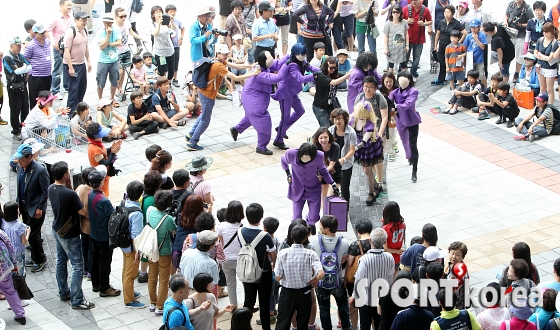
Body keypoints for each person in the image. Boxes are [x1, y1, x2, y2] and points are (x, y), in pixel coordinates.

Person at [185, 44, 258, 151]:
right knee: (205, 120)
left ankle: (190, 135)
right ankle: (192, 142)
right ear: (218, 53)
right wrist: (253, 74)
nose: (226, 56)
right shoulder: (218, 66)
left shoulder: (218, 61)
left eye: (227, 54)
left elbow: (236, 66)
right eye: (224, 54)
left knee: (203, 116)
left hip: (205, 92)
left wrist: (250, 66)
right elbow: (236, 77)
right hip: (207, 94)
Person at [48, 161, 95, 310]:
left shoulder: (51, 188)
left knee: (61, 261)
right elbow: (83, 212)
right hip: (70, 233)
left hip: (57, 229)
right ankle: (77, 299)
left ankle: (63, 292)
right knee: (77, 266)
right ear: (65, 175)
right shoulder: (69, 194)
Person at [230, 51, 286, 155]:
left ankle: (236, 129)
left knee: (251, 118)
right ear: (265, 61)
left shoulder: (260, 67)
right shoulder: (261, 74)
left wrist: (288, 57)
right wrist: (286, 67)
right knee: (263, 122)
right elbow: (278, 78)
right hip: (253, 103)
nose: (272, 58)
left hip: (249, 99)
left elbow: (277, 63)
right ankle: (261, 146)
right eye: (269, 57)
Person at [275, 224, 324, 330]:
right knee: (303, 323)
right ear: (306, 237)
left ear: (291, 236)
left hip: (287, 293)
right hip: (305, 293)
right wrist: (314, 279)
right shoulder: (310, 254)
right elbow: (321, 273)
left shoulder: (283, 253)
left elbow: (278, 277)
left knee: (283, 322)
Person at [281, 143, 339, 232]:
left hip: (313, 189)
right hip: (297, 188)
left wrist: (333, 184)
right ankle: (299, 232)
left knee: (314, 216)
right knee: (296, 217)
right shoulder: (291, 154)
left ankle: (310, 224)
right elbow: (283, 160)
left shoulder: (319, 156)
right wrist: (288, 173)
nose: (305, 162)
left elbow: (323, 170)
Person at [272, 44, 320, 150]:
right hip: (285, 94)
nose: (302, 56)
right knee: (285, 117)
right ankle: (278, 140)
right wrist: (314, 76)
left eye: (303, 54)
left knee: (300, 111)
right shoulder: (291, 64)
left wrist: (321, 70)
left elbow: (310, 67)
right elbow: (300, 78)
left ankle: (281, 129)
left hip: (293, 93)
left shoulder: (301, 61)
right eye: (300, 54)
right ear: (295, 54)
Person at [238, 203, 276, 330]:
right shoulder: (265, 235)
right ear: (261, 218)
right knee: (264, 303)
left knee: (248, 301)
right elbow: (273, 254)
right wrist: (274, 266)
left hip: (247, 271)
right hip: (263, 272)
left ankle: (244, 326)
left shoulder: (240, 232)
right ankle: (266, 328)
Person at [309, 216, 350, 330]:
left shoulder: (315, 241)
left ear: (326, 229)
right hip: (338, 279)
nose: (319, 226)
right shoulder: (345, 243)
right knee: (343, 307)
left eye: (321, 224)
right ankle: (346, 327)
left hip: (321, 280)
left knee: (324, 309)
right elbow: (343, 260)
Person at [349, 228, 394, 330]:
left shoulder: (364, 259)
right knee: (379, 324)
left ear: (370, 241)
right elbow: (390, 278)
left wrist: (354, 296)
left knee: (365, 325)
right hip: (381, 299)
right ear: (385, 242)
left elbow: (358, 279)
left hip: (365, 300)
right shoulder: (389, 257)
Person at [15, 144, 49, 272]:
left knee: (33, 234)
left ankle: (40, 259)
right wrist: (18, 205)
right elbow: (19, 188)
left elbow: (45, 192)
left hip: (35, 208)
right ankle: (35, 257)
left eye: (22, 159)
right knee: (30, 232)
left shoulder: (40, 170)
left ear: (29, 157)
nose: (19, 162)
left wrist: (40, 207)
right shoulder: (20, 168)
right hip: (24, 207)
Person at [87, 169, 121, 298]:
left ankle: (96, 284)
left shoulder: (90, 194)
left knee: (95, 260)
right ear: (101, 182)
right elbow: (113, 216)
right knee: (104, 262)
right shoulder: (104, 200)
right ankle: (104, 287)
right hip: (103, 236)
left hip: (94, 233)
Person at [145, 190, 177, 316]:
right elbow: (174, 231)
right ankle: (160, 306)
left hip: (151, 251)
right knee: (163, 280)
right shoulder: (168, 218)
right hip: (164, 252)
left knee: (152, 277)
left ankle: (153, 303)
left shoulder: (150, 210)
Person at [354, 75, 388, 190]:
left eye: (370, 87)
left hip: (377, 133)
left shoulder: (379, 98)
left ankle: (380, 180)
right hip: (363, 135)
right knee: (368, 160)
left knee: (378, 158)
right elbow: (356, 115)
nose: (367, 89)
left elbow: (384, 117)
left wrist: (380, 133)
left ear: (375, 88)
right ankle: (375, 181)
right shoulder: (359, 97)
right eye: (365, 86)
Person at [351, 100, 384, 205]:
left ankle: (371, 192)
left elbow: (364, 141)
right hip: (360, 148)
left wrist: (354, 148)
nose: (360, 116)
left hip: (369, 147)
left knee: (367, 170)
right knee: (366, 169)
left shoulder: (369, 124)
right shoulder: (354, 119)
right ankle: (376, 187)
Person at [389, 70, 420, 182]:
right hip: (400, 120)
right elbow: (388, 100)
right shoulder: (395, 91)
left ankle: (414, 171)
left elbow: (408, 104)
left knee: (413, 145)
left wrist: (395, 107)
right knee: (404, 141)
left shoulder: (413, 91)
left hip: (412, 120)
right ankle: (409, 156)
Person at [120, 181, 145, 309]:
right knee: (131, 274)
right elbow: (136, 236)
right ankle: (129, 300)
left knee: (126, 269)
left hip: (123, 243)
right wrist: (138, 253)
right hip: (131, 247)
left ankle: (129, 291)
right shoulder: (137, 213)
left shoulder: (124, 202)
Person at [63, 11, 92, 116]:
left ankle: (79, 111)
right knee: (73, 90)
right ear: (76, 20)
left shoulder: (85, 30)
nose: (84, 22)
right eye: (82, 20)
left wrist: (88, 61)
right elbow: (67, 51)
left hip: (81, 64)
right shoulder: (71, 32)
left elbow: (86, 47)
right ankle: (70, 114)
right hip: (72, 65)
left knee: (82, 88)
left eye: (85, 20)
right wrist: (70, 68)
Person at [3, 37, 32, 141]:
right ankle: (16, 131)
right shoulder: (7, 57)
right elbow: (16, 71)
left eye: (20, 45)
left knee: (25, 108)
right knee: (15, 110)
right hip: (13, 87)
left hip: (23, 85)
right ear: (11, 46)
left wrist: (23, 68)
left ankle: (24, 128)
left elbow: (29, 65)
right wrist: (24, 68)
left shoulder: (20, 56)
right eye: (17, 45)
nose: (20, 47)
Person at [216, 201, 244, 307]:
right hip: (240, 261)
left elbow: (220, 244)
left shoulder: (221, 226)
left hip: (226, 260)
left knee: (231, 285)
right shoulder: (243, 227)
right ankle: (247, 306)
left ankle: (233, 306)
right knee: (245, 283)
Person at [114, 7, 144, 98]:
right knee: (120, 72)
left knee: (125, 71)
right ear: (116, 17)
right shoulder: (114, 27)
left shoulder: (126, 23)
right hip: (117, 52)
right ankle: (115, 88)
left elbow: (132, 32)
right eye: (121, 16)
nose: (123, 18)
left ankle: (120, 88)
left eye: (125, 16)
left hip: (126, 50)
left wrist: (141, 38)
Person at [432, 5, 467, 86]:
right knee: (442, 62)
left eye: (448, 12)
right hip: (442, 45)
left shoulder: (456, 23)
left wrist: (458, 43)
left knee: (452, 63)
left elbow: (465, 33)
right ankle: (441, 79)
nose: (446, 14)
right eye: (445, 12)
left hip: (452, 47)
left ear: (452, 14)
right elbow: (438, 34)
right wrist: (435, 45)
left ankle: (453, 80)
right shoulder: (442, 21)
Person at [86, 122, 123, 197]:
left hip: (104, 176)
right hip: (101, 177)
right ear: (96, 136)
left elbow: (103, 151)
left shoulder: (96, 143)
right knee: (103, 194)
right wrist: (113, 153)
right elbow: (104, 164)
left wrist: (111, 148)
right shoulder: (95, 148)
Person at [328, 109, 356, 203]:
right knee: (332, 186)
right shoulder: (330, 130)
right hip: (332, 163)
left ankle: (345, 210)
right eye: (335, 119)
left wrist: (344, 159)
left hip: (346, 164)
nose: (337, 121)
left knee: (344, 188)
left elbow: (352, 150)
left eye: (340, 119)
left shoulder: (351, 132)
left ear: (345, 119)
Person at [312, 57, 350, 127]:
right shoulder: (321, 76)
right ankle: (313, 138)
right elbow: (334, 82)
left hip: (330, 107)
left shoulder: (333, 74)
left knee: (333, 127)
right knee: (325, 128)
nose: (333, 69)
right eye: (331, 67)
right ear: (326, 66)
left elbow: (340, 75)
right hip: (320, 108)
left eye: (335, 68)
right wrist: (347, 76)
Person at [179, 230, 220, 295]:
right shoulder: (211, 264)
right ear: (211, 247)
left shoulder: (186, 252)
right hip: (201, 296)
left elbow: (181, 269)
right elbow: (214, 285)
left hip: (185, 292)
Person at [0, 227, 26, 325]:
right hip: (4, 268)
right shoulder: (1, 232)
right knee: (10, 291)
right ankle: (21, 315)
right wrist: (14, 264)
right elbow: (11, 248)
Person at [24, 23, 52, 112]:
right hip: (36, 77)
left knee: (46, 99)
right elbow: (25, 59)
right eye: (41, 33)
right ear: (35, 34)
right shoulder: (31, 45)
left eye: (44, 32)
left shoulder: (47, 41)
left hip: (47, 75)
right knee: (35, 100)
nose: (44, 34)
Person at [504, 0, 534, 83]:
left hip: (521, 35)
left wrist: (521, 24)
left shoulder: (527, 8)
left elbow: (531, 22)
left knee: (520, 55)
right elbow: (506, 15)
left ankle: (517, 73)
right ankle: (504, 72)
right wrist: (505, 21)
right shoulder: (511, 4)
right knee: (506, 53)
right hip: (509, 33)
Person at [48, 0, 73, 97]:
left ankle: (67, 87)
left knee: (67, 67)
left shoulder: (70, 17)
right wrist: (53, 43)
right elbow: (48, 30)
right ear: (61, 5)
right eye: (68, 5)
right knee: (58, 69)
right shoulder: (56, 18)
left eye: (71, 5)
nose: (70, 7)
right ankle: (55, 91)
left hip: (68, 47)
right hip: (59, 48)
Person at [74, 167, 95, 280]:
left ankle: (85, 268)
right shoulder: (94, 192)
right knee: (91, 249)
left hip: (81, 225)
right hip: (91, 226)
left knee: (84, 246)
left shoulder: (80, 188)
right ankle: (91, 271)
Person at [95, 15, 122, 104]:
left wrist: (108, 44)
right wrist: (108, 34)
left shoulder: (117, 30)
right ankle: (100, 100)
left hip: (114, 59)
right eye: (106, 23)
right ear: (103, 23)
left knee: (114, 80)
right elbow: (102, 46)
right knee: (101, 81)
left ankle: (111, 98)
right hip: (103, 60)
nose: (108, 25)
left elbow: (119, 42)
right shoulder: (100, 32)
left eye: (110, 23)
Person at [312, 128, 342, 205]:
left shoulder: (335, 147)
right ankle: (324, 215)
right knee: (323, 197)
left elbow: (331, 165)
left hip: (334, 173)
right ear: (317, 139)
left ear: (329, 137)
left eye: (325, 137)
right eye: (321, 138)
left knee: (330, 197)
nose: (323, 140)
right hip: (322, 174)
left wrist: (322, 173)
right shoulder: (315, 148)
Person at [403, 0, 432, 78]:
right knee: (405, 57)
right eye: (411, 0)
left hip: (419, 39)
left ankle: (413, 73)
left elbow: (430, 21)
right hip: (407, 39)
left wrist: (424, 23)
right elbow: (399, 20)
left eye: (415, 0)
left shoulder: (425, 10)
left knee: (417, 57)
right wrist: (406, 21)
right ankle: (403, 73)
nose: (413, 2)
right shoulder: (406, 8)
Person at [534, 22, 559, 104]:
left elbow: (550, 58)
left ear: (551, 32)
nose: (544, 33)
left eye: (546, 31)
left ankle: (550, 106)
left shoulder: (554, 42)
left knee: (549, 89)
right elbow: (535, 53)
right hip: (540, 66)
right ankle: (541, 103)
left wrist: (541, 56)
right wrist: (542, 57)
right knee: (542, 87)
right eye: (543, 31)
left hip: (550, 68)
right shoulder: (540, 40)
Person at [150, 6, 176, 81]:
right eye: (156, 12)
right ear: (153, 15)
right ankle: (163, 84)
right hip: (160, 52)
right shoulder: (153, 25)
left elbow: (174, 29)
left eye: (160, 12)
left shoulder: (166, 23)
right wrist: (159, 24)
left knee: (171, 69)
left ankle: (168, 83)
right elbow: (155, 33)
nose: (159, 14)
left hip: (170, 50)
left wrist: (171, 21)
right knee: (162, 70)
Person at [381, 201, 405, 276]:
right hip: (397, 259)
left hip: (387, 259)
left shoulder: (385, 228)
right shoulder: (403, 225)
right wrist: (398, 251)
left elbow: (386, 249)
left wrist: (396, 251)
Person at [164, 4, 185, 87]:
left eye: (174, 11)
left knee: (175, 62)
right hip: (166, 47)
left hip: (175, 45)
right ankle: (166, 80)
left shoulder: (177, 21)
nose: (172, 13)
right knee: (166, 63)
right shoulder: (164, 21)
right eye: (170, 11)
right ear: (166, 12)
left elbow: (183, 28)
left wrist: (181, 38)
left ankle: (175, 78)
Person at [380, 72, 399, 161]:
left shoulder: (397, 90)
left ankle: (393, 148)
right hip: (383, 117)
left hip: (393, 117)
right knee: (387, 135)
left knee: (391, 133)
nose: (388, 84)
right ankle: (391, 151)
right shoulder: (380, 91)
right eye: (386, 81)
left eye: (390, 81)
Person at [385, 5, 409, 73]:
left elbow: (406, 34)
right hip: (391, 48)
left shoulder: (404, 22)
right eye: (394, 12)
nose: (395, 14)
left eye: (397, 12)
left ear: (400, 13)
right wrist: (386, 48)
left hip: (401, 48)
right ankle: (391, 80)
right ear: (391, 13)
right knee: (391, 65)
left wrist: (407, 45)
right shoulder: (388, 24)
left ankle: (403, 79)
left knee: (403, 64)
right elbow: (385, 36)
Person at [464, 19, 487, 88]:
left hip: (479, 59)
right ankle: (470, 88)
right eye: (472, 27)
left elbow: (483, 47)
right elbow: (465, 47)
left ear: (479, 27)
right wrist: (464, 59)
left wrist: (476, 39)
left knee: (481, 76)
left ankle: (485, 89)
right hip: (470, 59)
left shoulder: (482, 35)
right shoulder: (468, 36)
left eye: (475, 27)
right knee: (470, 76)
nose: (473, 29)